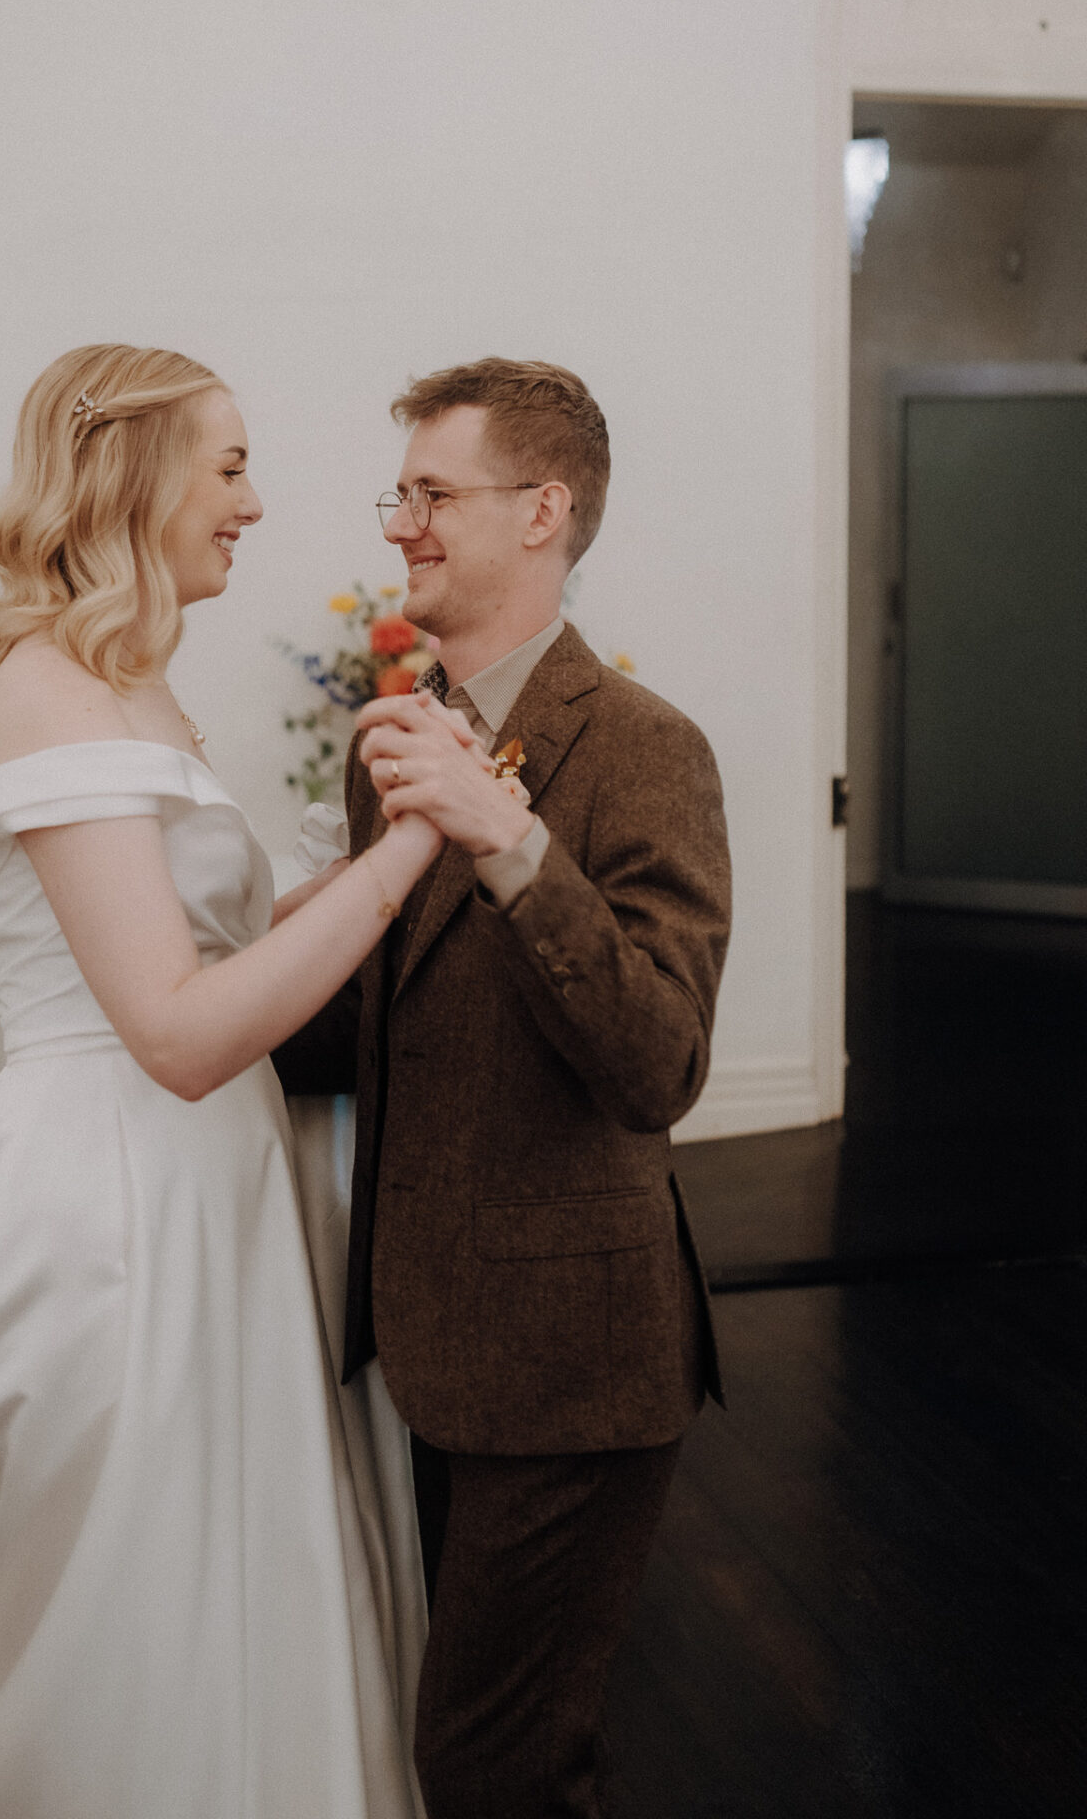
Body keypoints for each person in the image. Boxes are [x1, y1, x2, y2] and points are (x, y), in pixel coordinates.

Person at [0, 343, 459, 1819]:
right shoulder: (53, 705)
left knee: (228, 1570)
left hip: (208, 1186)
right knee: (129, 1598)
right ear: (136, 477)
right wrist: (411, 857)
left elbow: (214, 940)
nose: (256, 504)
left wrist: (371, 854)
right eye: (229, 466)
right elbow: (175, 1031)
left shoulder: (127, 692)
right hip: (117, 1203)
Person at [274, 357, 734, 1819]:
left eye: (434, 494)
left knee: (497, 1761)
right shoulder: (402, 737)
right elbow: (379, 1038)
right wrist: (187, 976)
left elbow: (658, 1060)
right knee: (470, 1744)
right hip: (426, 1339)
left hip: (572, 1355)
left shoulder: (650, 752)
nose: (401, 524)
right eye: (398, 494)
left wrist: (512, 845)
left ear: (544, 511)